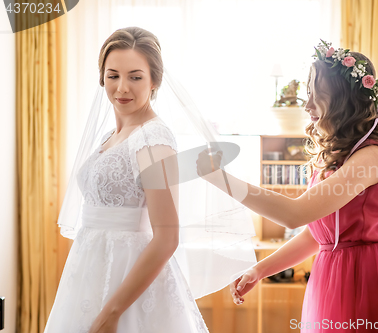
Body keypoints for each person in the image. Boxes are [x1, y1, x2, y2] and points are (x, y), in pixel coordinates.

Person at [196, 41, 378, 332]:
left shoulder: (371, 156)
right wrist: (261, 269)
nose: (307, 105)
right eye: (307, 93)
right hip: (333, 277)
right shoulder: (341, 154)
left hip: (365, 278)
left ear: (342, 99)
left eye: (316, 94)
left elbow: (294, 214)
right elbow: (319, 234)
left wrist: (222, 180)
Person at [45, 26, 256, 333]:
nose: (122, 88)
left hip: (129, 275)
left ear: (155, 80)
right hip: (89, 268)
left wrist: (111, 313)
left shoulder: (153, 139)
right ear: (101, 77)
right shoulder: (110, 136)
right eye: (113, 75)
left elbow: (167, 237)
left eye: (135, 76)